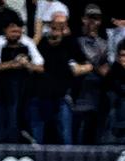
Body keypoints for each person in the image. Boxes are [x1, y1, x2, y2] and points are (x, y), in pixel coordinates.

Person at [29, 12, 91, 144]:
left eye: (61, 26)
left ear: (66, 27)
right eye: (55, 26)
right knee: (37, 138)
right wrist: (38, 35)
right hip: (39, 95)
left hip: (62, 96)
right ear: (50, 25)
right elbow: (28, 55)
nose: (57, 30)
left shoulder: (70, 43)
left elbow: (88, 65)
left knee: (65, 136)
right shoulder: (41, 43)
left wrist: (79, 69)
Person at [0, 16, 44, 143]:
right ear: (5, 30)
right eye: (13, 31)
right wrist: (14, 64)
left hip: (22, 93)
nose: (16, 34)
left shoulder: (27, 42)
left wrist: (27, 65)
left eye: (18, 31)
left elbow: (40, 67)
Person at [74, 3, 110, 144]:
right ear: (83, 19)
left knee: (94, 135)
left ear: (100, 21)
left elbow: (105, 70)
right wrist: (96, 64)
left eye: (96, 18)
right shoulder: (76, 41)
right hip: (78, 96)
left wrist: (90, 65)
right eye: (89, 18)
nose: (92, 22)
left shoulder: (104, 43)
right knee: (77, 136)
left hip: (97, 95)